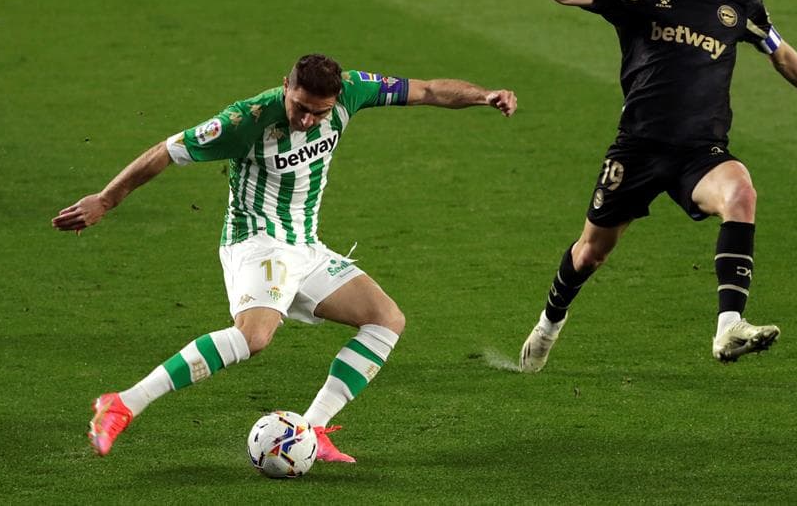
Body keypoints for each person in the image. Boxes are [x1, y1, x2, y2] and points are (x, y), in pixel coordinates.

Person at [53, 54, 517, 462]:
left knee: (385, 319)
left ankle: (312, 430)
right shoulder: (245, 120)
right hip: (255, 242)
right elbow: (166, 152)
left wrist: (484, 96)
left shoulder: (353, 91)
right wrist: (107, 200)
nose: (308, 121)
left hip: (305, 246)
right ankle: (122, 403)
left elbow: (429, 90)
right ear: (285, 87)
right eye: (300, 108)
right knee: (254, 337)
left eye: (320, 113)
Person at [519, 0, 797, 372]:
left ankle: (729, 326)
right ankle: (549, 322)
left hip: (700, 153)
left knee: (742, 193)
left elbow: (781, 54)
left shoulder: (739, 8)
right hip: (637, 150)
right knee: (590, 254)